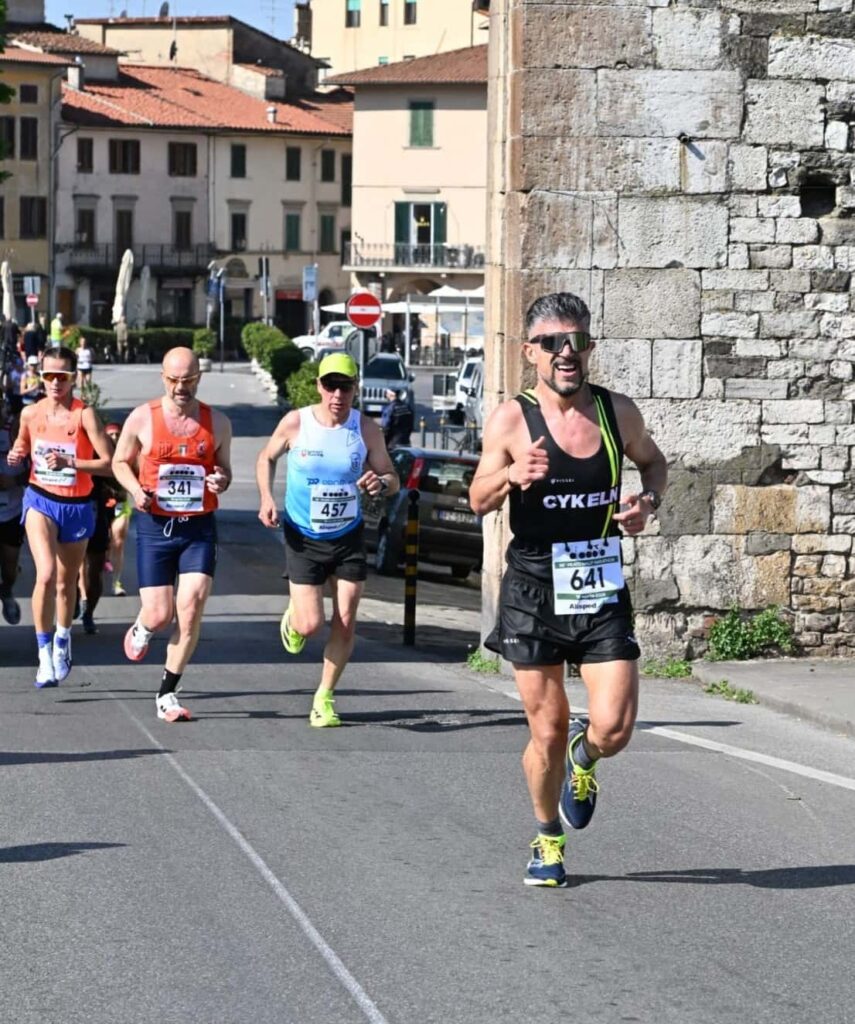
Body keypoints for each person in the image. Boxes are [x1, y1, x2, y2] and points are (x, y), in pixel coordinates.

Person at [469, 292, 668, 888]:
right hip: (533, 589)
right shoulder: (512, 420)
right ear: (529, 352)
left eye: (576, 341)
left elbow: (654, 464)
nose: (566, 352)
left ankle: (587, 758)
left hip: (598, 584)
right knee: (547, 730)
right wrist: (511, 474)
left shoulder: (616, 413)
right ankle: (547, 838)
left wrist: (647, 503)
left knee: (614, 728)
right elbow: (477, 499)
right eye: (552, 342)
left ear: (589, 348)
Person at [256, 352, 399, 728]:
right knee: (310, 625)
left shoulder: (365, 429)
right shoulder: (296, 422)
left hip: (348, 536)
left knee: (347, 619)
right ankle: (295, 619)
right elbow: (266, 458)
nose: (338, 394)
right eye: (331, 385)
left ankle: (324, 696)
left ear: (356, 389)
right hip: (303, 537)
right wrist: (267, 498)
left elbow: (391, 477)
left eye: (345, 387)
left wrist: (380, 482)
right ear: (319, 386)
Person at [111, 347, 232, 723]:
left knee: (191, 607)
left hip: (198, 527)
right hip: (155, 527)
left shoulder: (218, 423)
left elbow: (224, 471)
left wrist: (221, 479)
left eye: (189, 380)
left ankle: (167, 693)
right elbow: (119, 461)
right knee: (160, 614)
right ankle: (144, 625)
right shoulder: (142, 418)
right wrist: (135, 490)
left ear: (199, 378)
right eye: (175, 380)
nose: (182, 387)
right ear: (163, 378)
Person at [6, 346, 113, 687]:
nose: (55, 382)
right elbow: (22, 446)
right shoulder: (30, 413)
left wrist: (72, 463)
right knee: (46, 574)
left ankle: (63, 639)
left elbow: (109, 464)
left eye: (62, 376)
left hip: (77, 505)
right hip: (41, 500)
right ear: (41, 376)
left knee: (67, 583)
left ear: (72, 378)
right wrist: (16, 455)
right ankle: (43, 653)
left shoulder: (85, 416)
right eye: (49, 375)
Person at [0, 400, 27, 625]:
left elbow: (36, 468)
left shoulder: (16, 429)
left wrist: (15, 480)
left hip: (12, 512)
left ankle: (6, 591)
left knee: (9, 568)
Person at [104, 421, 131, 596]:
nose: (114, 437)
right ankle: (104, 557)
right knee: (101, 541)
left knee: (119, 540)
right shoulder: (99, 452)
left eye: (117, 435)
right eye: (111, 435)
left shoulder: (127, 454)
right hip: (101, 504)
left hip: (121, 503)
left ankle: (116, 582)